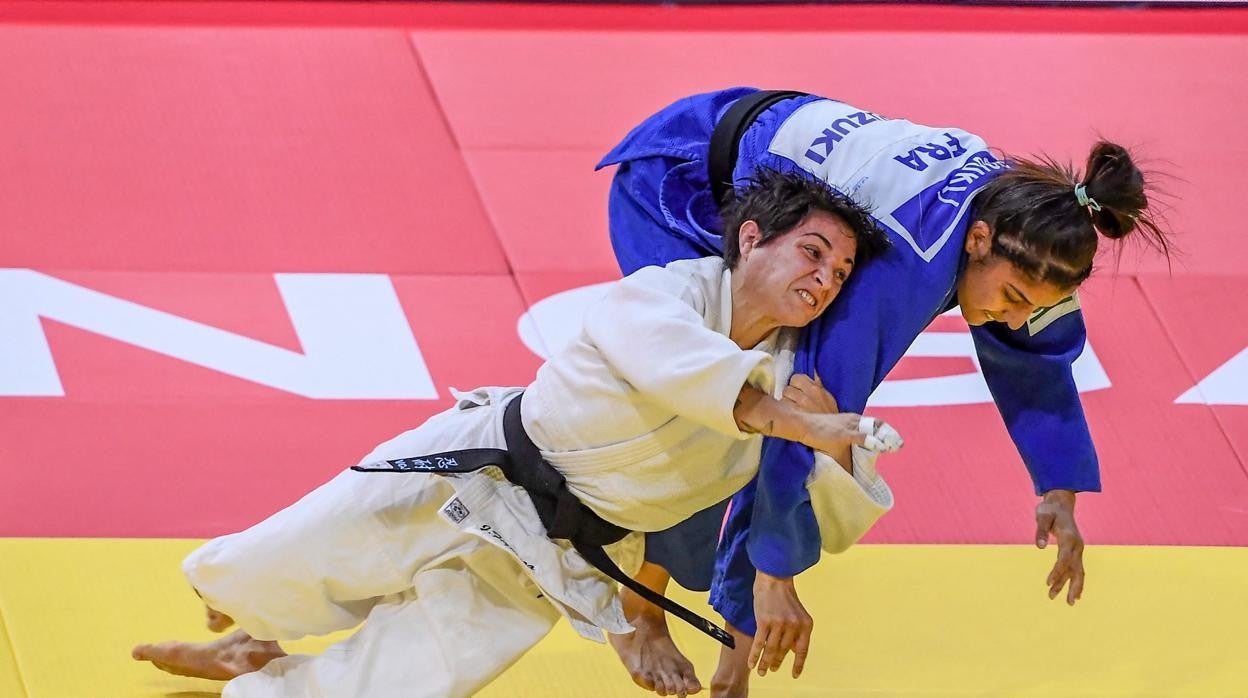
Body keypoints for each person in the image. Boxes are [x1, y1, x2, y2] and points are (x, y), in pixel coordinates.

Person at [130, 170, 901, 698]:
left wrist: (829, 443)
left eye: (840, 272)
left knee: (413, 676)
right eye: (813, 252)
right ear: (751, 239)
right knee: (290, 556)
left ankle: (256, 678)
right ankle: (249, 628)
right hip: (477, 467)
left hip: (567, 553)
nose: (825, 279)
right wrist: (793, 419)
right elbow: (698, 378)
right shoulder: (665, 294)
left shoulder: (799, 377)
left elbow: (808, 502)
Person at [596, 87, 1172, 697]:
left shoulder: (1035, 223)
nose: (1012, 316)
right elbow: (799, 423)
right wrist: (772, 576)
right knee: (724, 400)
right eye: (1012, 298)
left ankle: (729, 666)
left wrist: (1060, 485)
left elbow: (1037, 357)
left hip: (770, 181)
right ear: (977, 240)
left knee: (778, 401)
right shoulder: (907, 269)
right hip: (678, 185)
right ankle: (641, 605)